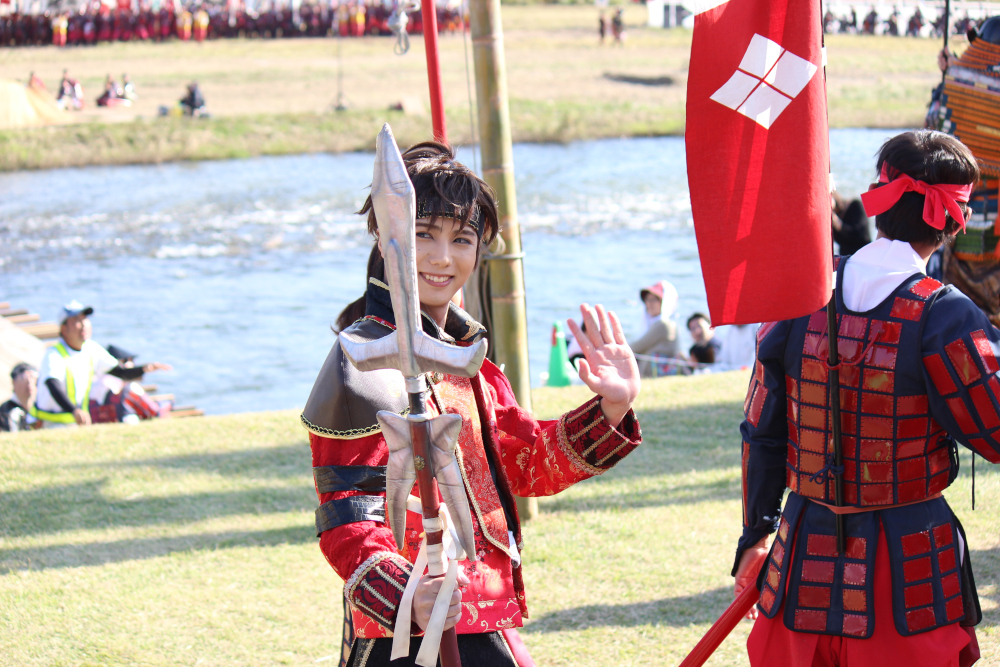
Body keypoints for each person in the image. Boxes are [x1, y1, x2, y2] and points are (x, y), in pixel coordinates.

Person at [302, 141, 642, 666]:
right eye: (423, 234)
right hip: (404, 636)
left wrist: (611, 408)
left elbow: (525, 462)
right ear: (386, 238)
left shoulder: (468, 359)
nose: (443, 258)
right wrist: (407, 595)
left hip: (482, 616)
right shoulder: (361, 359)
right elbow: (346, 515)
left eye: (461, 239)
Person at [734, 130, 988, 666]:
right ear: (953, 220)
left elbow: (761, 431)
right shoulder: (945, 314)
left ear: (880, 200)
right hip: (908, 567)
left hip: (801, 549)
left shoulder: (802, 290)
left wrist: (755, 533)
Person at [32, 301, 171, 427]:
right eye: (76, 320)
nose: (83, 324)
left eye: (85, 319)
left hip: (75, 421)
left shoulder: (91, 349)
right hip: (49, 422)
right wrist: (74, 410)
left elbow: (121, 373)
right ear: (63, 328)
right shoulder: (54, 354)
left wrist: (145, 368)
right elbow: (52, 384)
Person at [628, 280, 682, 377]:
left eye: (654, 300)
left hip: (652, 375)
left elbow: (636, 347)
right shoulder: (667, 323)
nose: (649, 304)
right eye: (647, 300)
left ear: (665, 302)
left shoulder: (664, 325)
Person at [832, 189, 873, 256]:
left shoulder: (855, 205)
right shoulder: (834, 218)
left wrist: (838, 224)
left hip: (863, 254)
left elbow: (860, 235)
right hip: (846, 257)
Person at [1, 363, 38, 433]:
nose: (30, 383)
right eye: (24, 379)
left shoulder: (40, 407)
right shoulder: (7, 412)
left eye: (33, 378)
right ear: (13, 382)